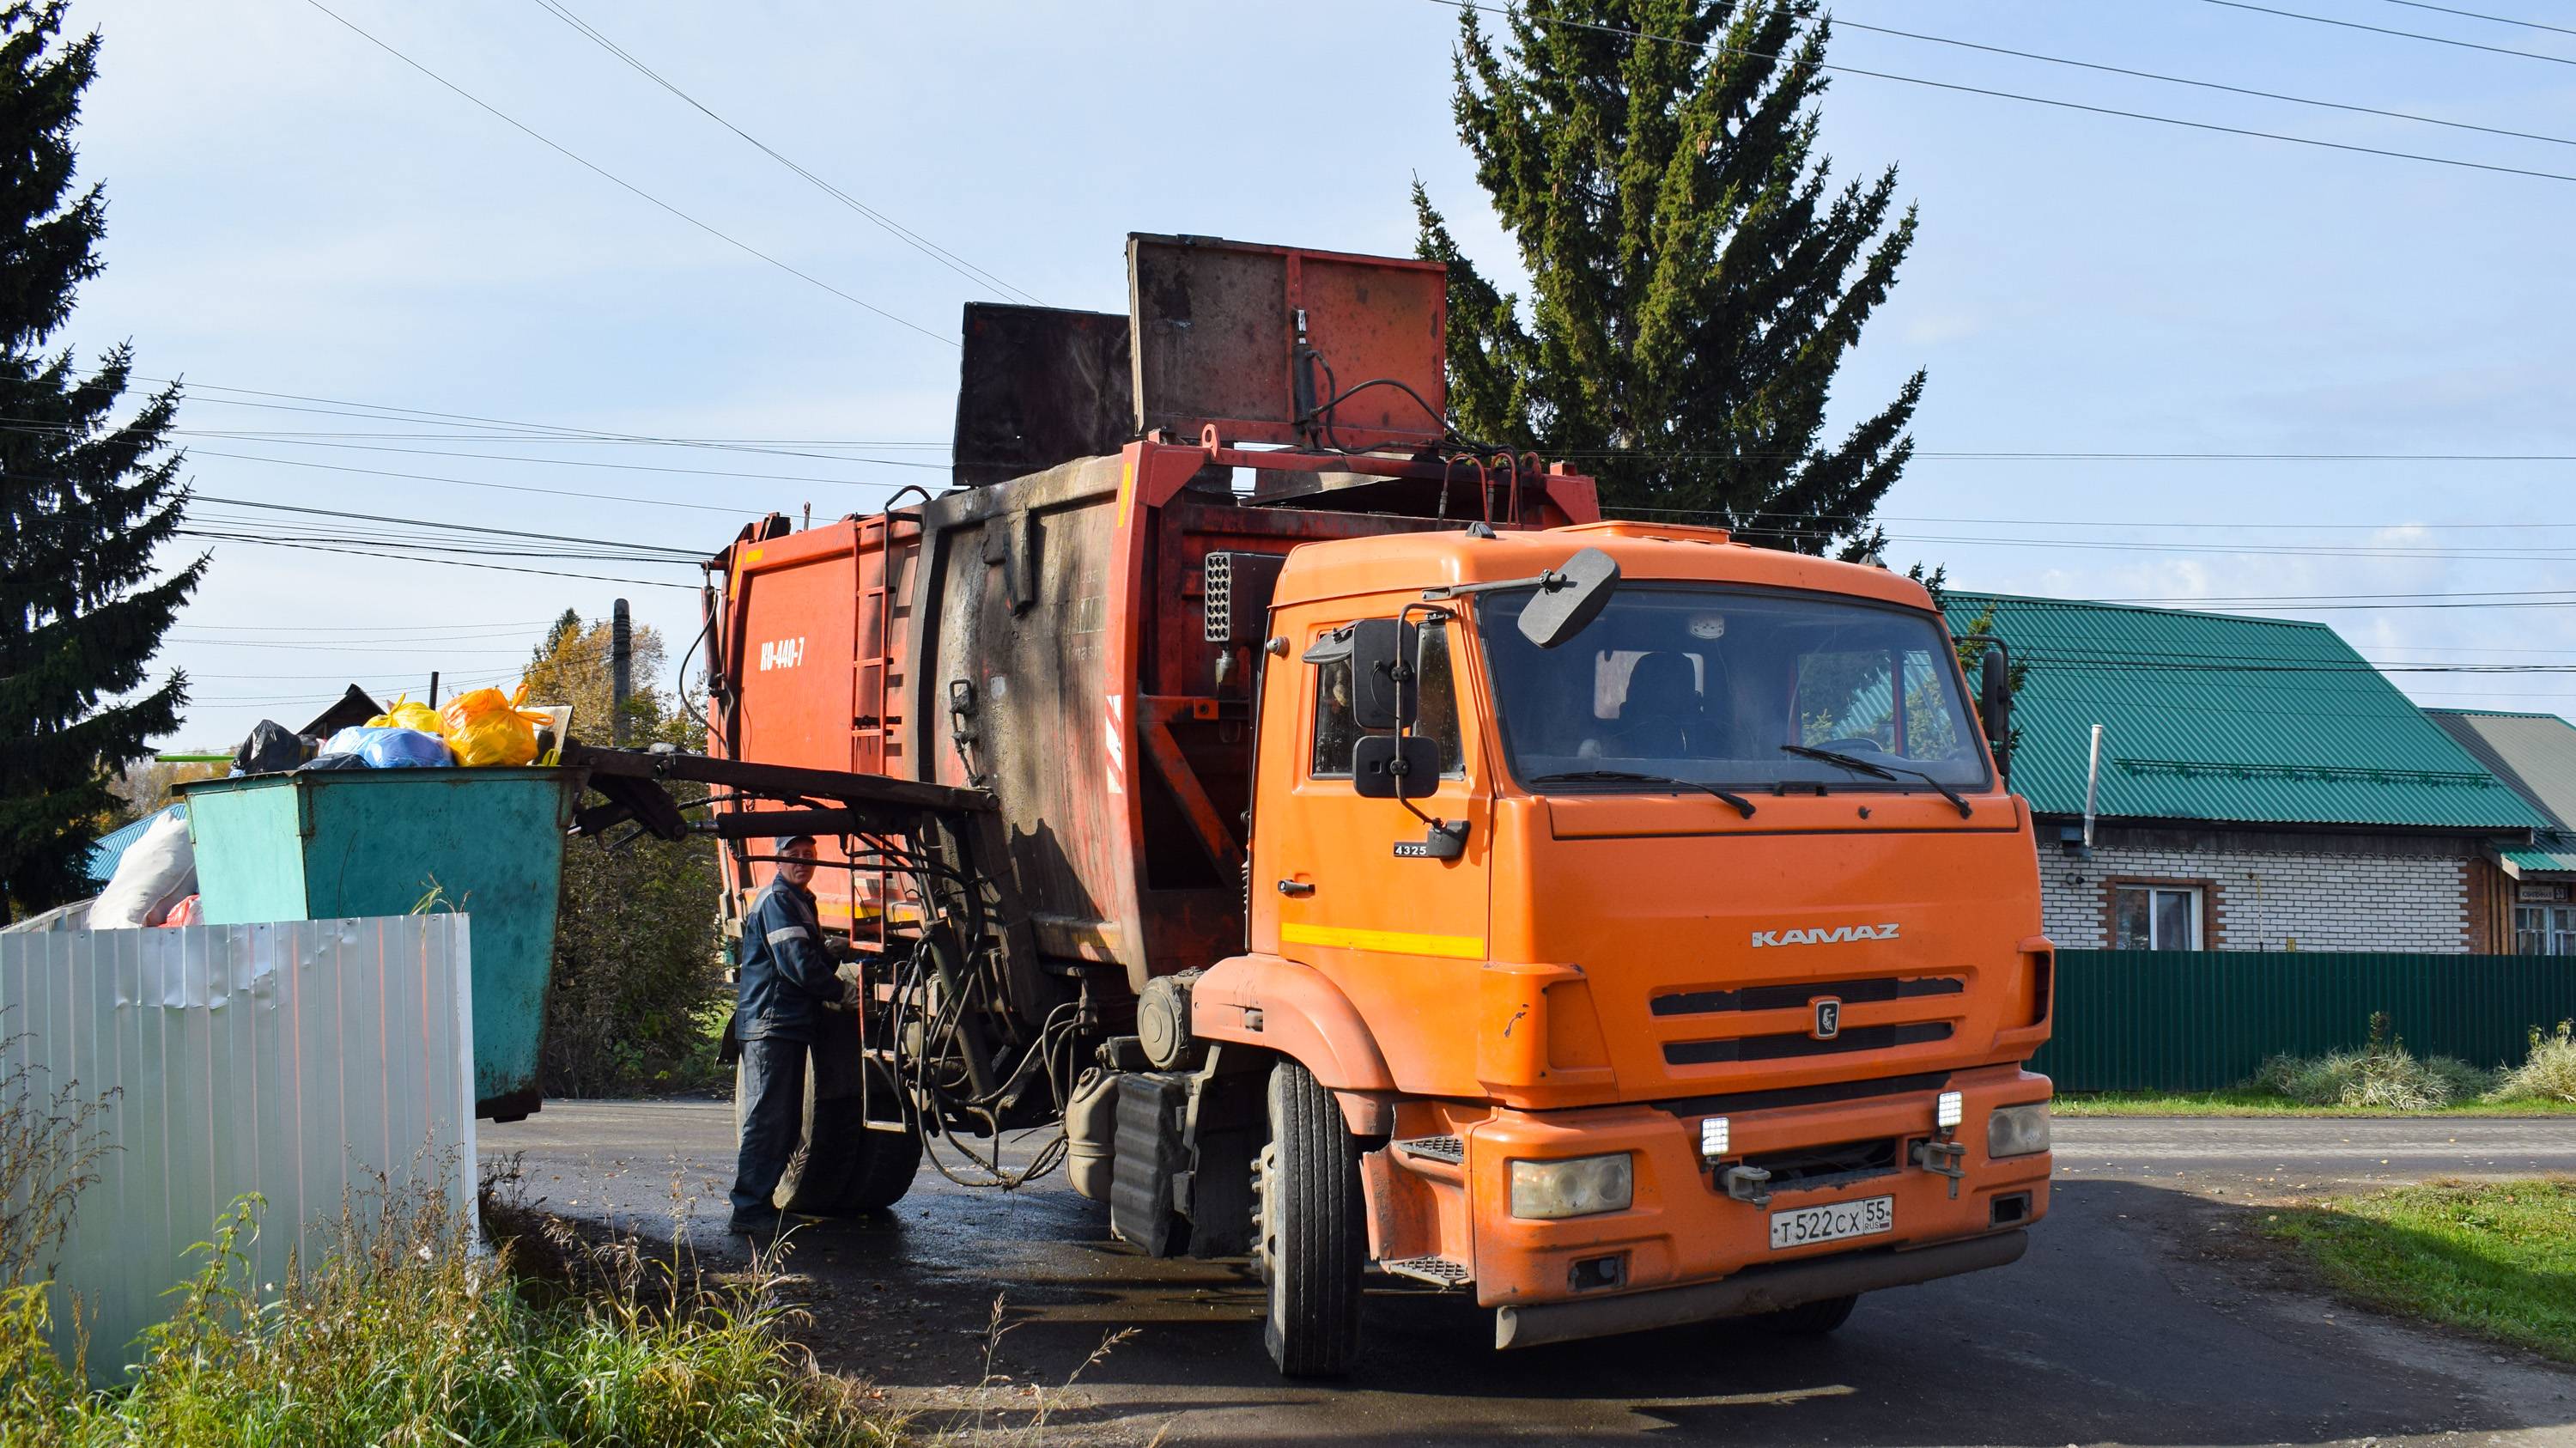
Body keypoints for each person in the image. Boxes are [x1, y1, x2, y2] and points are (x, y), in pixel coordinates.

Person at [727, 834, 849, 1238]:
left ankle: (758, 1205)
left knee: (782, 1120)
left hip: (784, 1023)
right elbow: (795, 964)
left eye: (809, 856)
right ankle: (748, 1209)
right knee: (768, 1119)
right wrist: (841, 989)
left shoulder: (797, 900)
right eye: (793, 856)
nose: (802, 862)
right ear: (777, 861)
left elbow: (803, 956)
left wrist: (829, 952)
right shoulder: (778, 900)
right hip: (771, 1022)